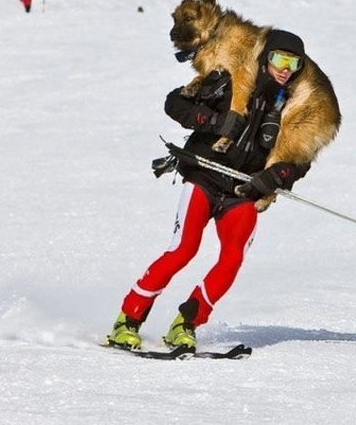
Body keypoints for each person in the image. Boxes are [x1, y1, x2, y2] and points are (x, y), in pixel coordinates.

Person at [107, 30, 340, 350]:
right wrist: (209, 120)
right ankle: (128, 319)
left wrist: (275, 176)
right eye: (278, 59)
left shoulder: (294, 108)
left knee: (232, 258)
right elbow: (174, 102)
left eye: (293, 63)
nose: (285, 68)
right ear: (265, 58)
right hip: (205, 179)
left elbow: (299, 161)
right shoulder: (230, 82)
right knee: (184, 250)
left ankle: (185, 324)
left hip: (242, 192)